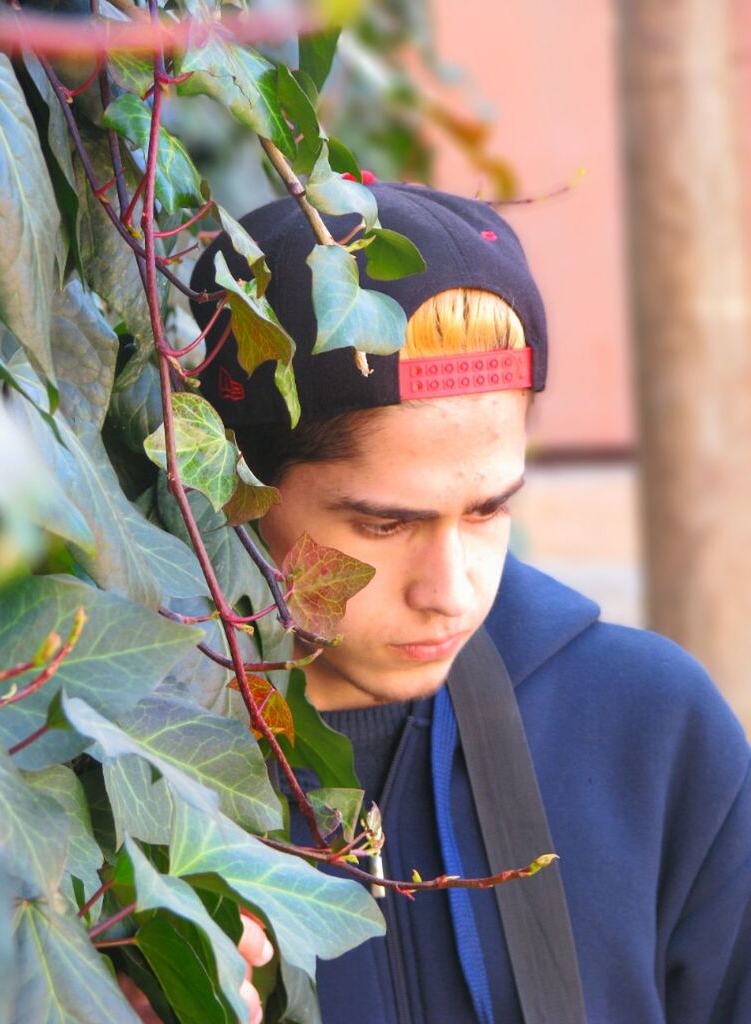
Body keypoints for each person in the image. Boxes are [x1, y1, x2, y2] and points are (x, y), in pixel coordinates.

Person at [190, 183, 751, 1023]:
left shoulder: (651, 726)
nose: (452, 593)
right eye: (384, 524)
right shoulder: (126, 764)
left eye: (488, 510)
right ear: (236, 484)